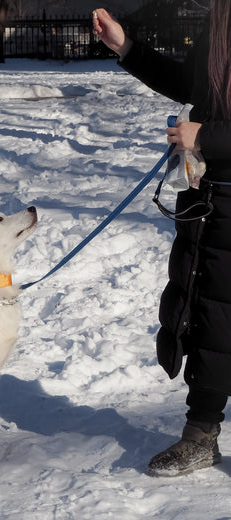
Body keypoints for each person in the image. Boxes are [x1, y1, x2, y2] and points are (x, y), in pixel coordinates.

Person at [93, 2, 231, 477]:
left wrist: (208, 138)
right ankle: (200, 436)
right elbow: (191, 86)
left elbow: (209, 128)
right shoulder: (220, 23)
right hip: (214, 202)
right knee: (211, 321)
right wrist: (126, 47)